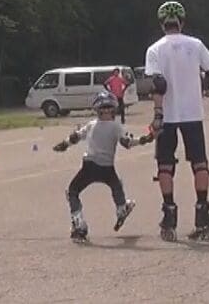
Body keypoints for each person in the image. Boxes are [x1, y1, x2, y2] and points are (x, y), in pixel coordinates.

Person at [145, 0, 209, 241]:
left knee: (165, 164)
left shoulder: (155, 49)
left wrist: (157, 115)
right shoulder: (195, 44)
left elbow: (158, 84)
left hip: (167, 115)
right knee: (199, 162)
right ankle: (202, 211)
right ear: (182, 22)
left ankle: (169, 213)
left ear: (161, 24)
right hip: (192, 113)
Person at [53, 90, 153, 242]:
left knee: (73, 191)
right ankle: (121, 208)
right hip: (106, 167)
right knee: (116, 185)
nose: (106, 111)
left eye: (108, 108)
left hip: (90, 165)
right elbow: (127, 143)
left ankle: (79, 223)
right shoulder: (115, 126)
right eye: (104, 108)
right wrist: (143, 140)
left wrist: (64, 144)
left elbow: (76, 136)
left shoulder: (92, 124)